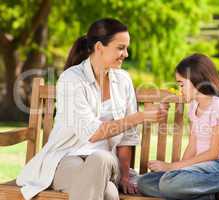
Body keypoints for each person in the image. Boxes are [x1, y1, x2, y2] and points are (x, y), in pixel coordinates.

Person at [16, 18, 167, 200]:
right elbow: (92, 133)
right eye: (120, 48)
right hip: (65, 157)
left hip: (107, 162)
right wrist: (140, 116)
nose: (126, 54)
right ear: (99, 47)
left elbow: (127, 137)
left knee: (100, 159)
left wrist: (125, 176)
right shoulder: (71, 79)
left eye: (126, 48)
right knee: (108, 193)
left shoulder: (123, 80)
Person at [137, 53, 219, 200]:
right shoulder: (194, 106)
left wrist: (172, 168)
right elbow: (192, 146)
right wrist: (178, 170)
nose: (180, 90)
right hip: (203, 169)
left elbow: (214, 153)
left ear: (196, 80)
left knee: (168, 183)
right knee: (144, 182)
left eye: (181, 84)